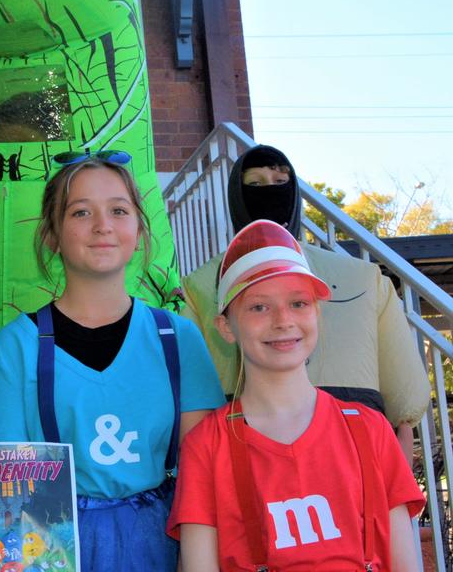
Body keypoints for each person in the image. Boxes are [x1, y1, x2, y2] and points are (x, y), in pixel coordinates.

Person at [0, 150, 225, 572]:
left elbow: (203, 480)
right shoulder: (17, 347)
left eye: (118, 210)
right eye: (80, 212)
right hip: (54, 549)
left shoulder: (178, 338)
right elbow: (6, 501)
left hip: (165, 542)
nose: (102, 225)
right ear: (52, 235)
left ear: (140, 231)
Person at [169, 219, 424, 571]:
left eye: (299, 303)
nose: (282, 320)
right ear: (226, 327)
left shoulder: (371, 430)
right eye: (259, 306)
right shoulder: (207, 446)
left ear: (318, 313)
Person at [180, 144, 430, 460]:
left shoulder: (365, 280)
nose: (268, 192)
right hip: (252, 454)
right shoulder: (200, 287)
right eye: (254, 184)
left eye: (279, 181)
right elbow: (191, 398)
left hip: (351, 452)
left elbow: (405, 406)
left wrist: (399, 490)